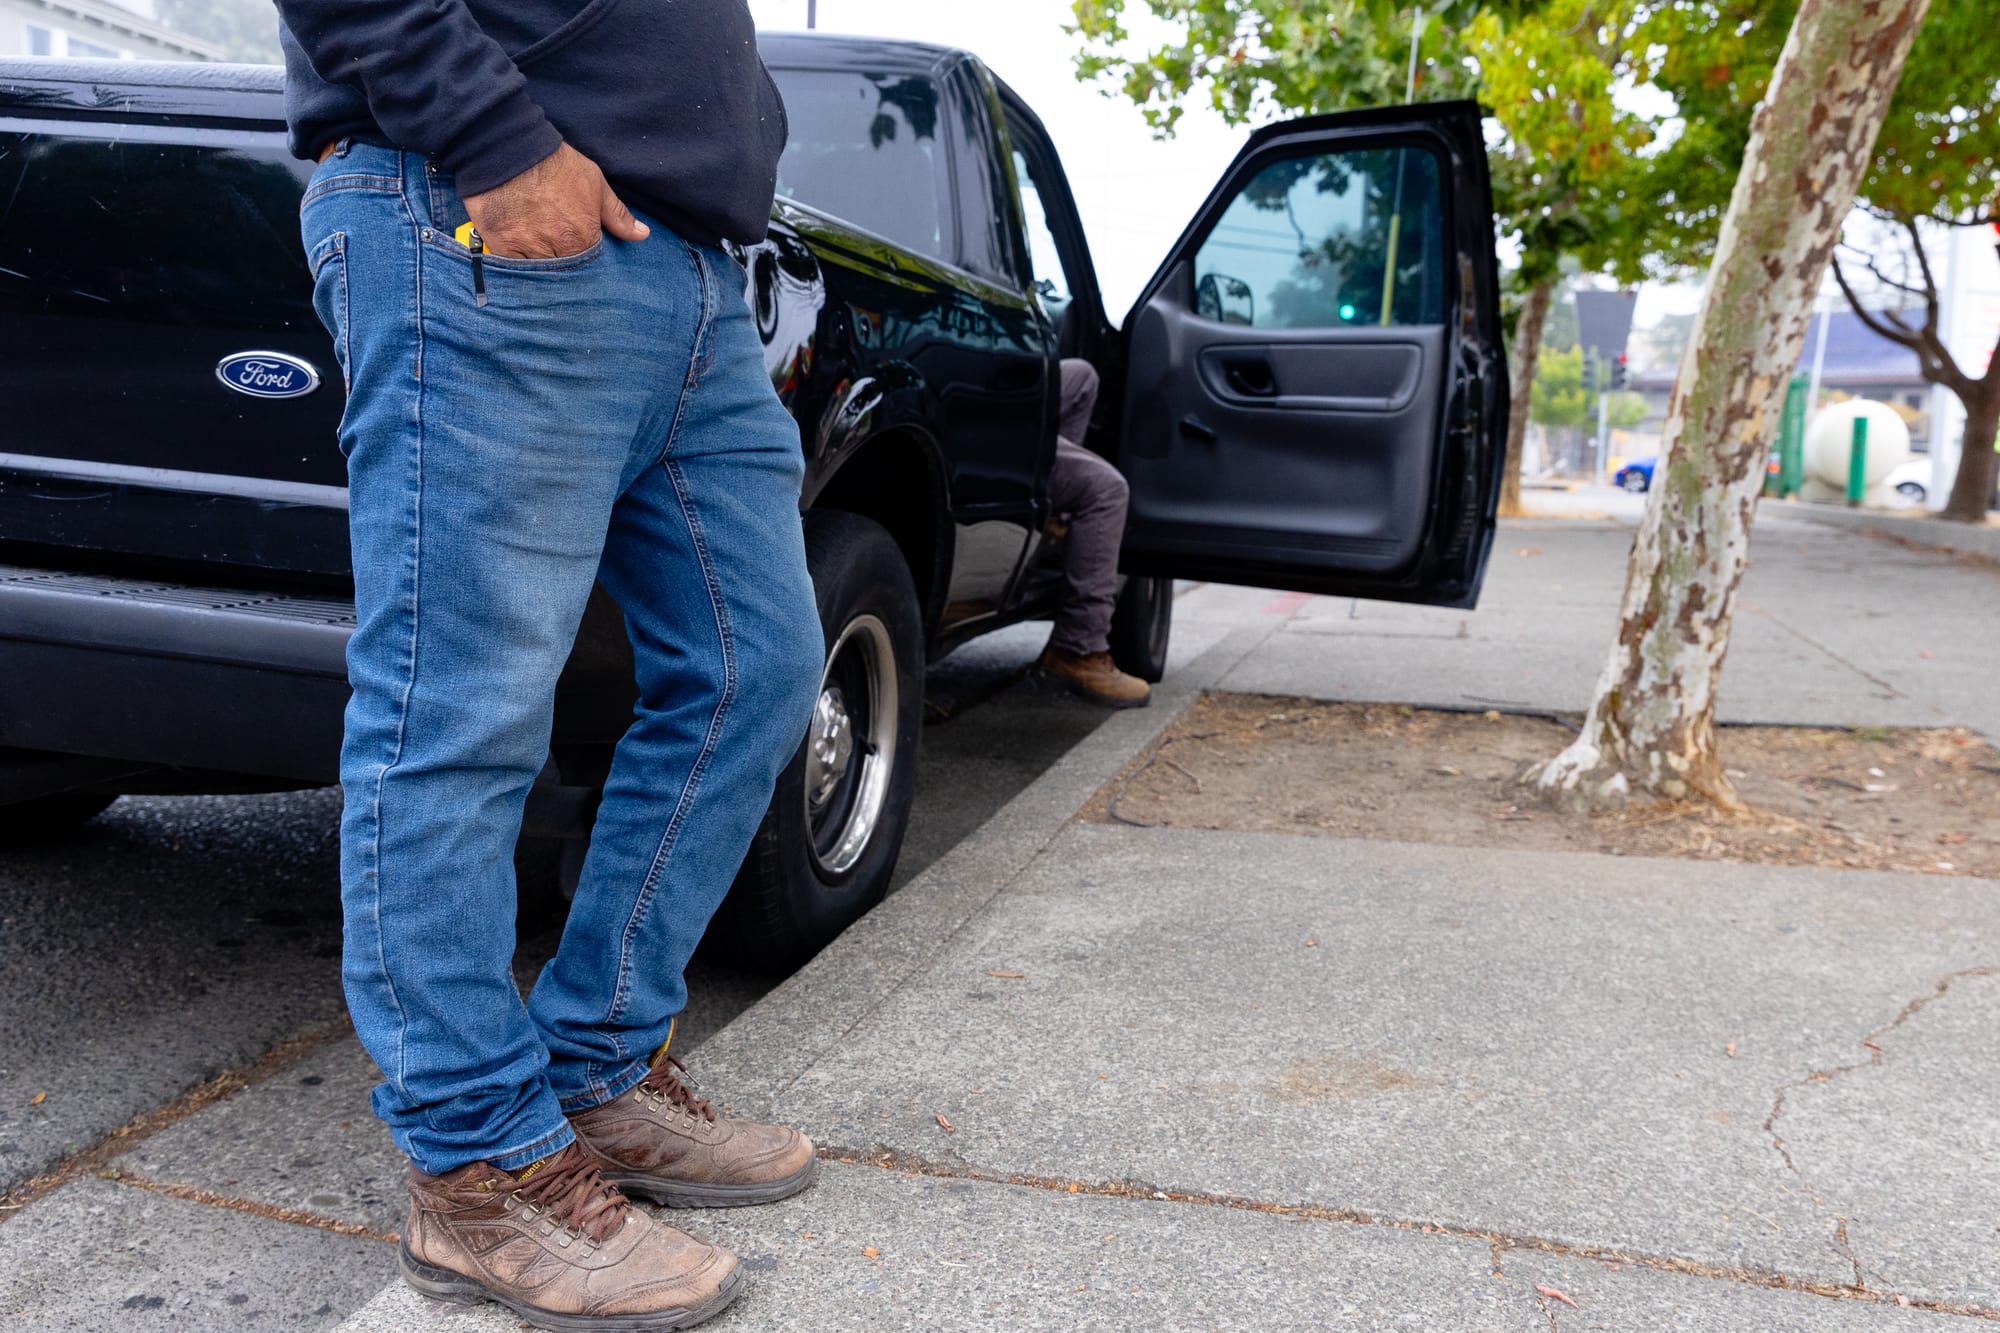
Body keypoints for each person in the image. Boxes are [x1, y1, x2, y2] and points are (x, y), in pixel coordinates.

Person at [277, 3, 823, 1327]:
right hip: (488, 212)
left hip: (686, 267)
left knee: (759, 666)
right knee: (458, 714)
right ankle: (476, 1164)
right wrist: (492, 133)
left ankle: (596, 1064)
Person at [1037, 359, 1153, 707]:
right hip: (983, 406)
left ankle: (1052, 510)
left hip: (1002, 382)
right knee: (1106, 488)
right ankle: (1078, 648)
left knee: (1082, 376)